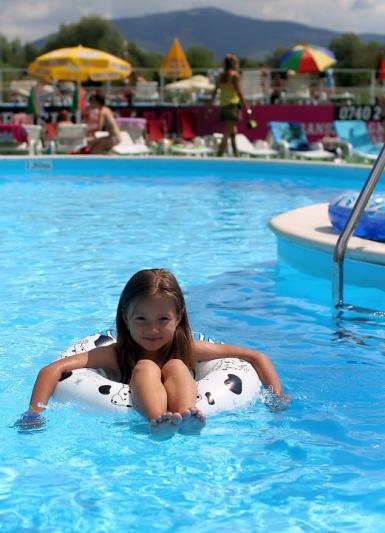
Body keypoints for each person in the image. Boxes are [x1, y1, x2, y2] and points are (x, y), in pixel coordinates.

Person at [21, 268, 284, 439]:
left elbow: (256, 356)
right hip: (145, 412)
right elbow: (51, 370)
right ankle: (158, 422)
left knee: (177, 366)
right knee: (145, 367)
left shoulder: (188, 348)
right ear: (125, 317)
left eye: (162, 319)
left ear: (178, 316)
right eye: (142, 319)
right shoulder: (117, 353)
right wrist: (33, 414)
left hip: (182, 400)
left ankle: (187, 418)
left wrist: (278, 397)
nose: (153, 329)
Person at [211, 53, 252, 157]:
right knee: (226, 133)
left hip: (223, 106)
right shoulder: (234, 75)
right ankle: (218, 156)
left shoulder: (221, 76)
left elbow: (215, 91)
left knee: (233, 132)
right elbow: (239, 92)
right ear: (233, 64)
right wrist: (246, 106)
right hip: (232, 106)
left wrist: (209, 106)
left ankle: (236, 155)